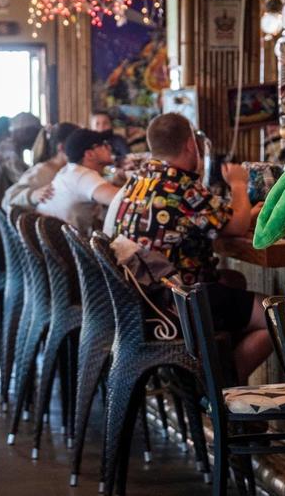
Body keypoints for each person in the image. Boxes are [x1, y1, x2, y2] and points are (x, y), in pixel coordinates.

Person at [104, 112, 270, 382]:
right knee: (277, 314)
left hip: (145, 304)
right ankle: (222, 390)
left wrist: (246, 214)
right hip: (180, 303)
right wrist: (239, 184)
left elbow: (221, 221)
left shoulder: (140, 179)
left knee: (234, 282)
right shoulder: (180, 185)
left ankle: (212, 381)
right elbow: (236, 228)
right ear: (191, 146)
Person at [36, 128, 120, 234]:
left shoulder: (69, 170)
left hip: (49, 241)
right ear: (89, 154)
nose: (109, 147)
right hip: (65, 247)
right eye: (103, 144)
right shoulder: (83, 176)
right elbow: (123, 200)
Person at [2, 122, 79, 213]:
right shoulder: (42, 171)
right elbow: (6, 201)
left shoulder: (72, 170)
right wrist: (32, 196)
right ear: (61, 148)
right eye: (78, 145)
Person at [0, 112, 42, 202]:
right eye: (35, 133)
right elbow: (23, 181)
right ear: (25, 132)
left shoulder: (8, 147)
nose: (37, 138)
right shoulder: (9, 150)